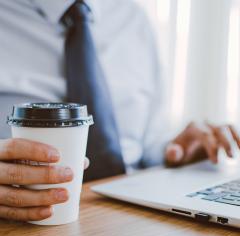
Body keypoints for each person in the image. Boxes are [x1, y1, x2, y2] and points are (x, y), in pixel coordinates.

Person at [0, 0, 239, 222]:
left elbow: (146, 142)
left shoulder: (133, 19)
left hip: (128, 212)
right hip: (27, 222)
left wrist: (176, 149)